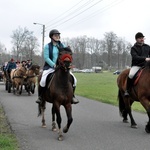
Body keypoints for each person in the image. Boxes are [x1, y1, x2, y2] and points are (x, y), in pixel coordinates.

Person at [36, 29, 79, 104]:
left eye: (58, 35)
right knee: (42, 80)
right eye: (55, 35)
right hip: (50, 67)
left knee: (74, 80)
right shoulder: (47, 46)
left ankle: (72, 96)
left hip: (62, 67)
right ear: (51, 37)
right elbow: (46, 58)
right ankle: (40, 97)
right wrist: (53, 65)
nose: (57, 36)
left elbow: (67, 55)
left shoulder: (63, 45)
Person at [124, 32, 150, 97]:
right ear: (136, 39)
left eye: (143, 38)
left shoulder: (147, 47)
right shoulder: (133, 48)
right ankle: (127, 90)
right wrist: (145, 58)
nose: (142, 39)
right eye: (140, 38)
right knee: (131, 74)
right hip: (137, 65)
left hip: (146, 65)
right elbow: (135, 57)